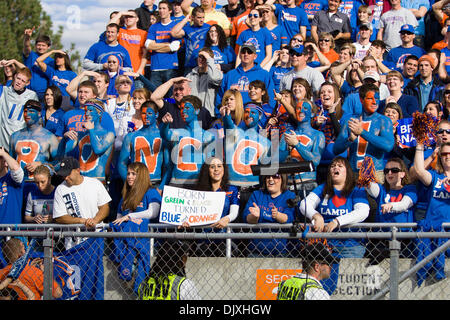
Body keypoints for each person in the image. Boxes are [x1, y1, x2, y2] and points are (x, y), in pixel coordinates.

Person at [299, 156, 370, 293]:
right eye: (332, 166)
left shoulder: (356, 189)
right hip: (326, 247)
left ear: (347, 172)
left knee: (347, 291)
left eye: (340, 166)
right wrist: (316, 216)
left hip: (351, 246)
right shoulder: (323, 188)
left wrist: (337, 222)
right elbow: (304, 204)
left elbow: (363, 211)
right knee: (323, 289)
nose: (335, 168)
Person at [110, 162, 162, 291]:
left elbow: (153, 212)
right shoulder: (125, 197)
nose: (129, 177)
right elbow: (118, 219)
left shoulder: (151, 193)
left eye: (134, 174)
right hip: (126, 244)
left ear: (142, 176)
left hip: (145, 242)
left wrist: (130, 217)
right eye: (128, 173)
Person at [334, 83, 394, 180]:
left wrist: (362, 132)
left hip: (375, 174)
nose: (375, 102)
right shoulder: (350, 121)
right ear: (361, 100)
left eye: (377, 99)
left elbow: (388, 145)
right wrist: (350, 139)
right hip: (353, 174)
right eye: (370, 98)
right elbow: (336, 149)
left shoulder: (384, 120)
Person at [52, 157, 112, 248]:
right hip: (73, 244)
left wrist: (95, 220)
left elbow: (105, 207)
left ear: (78, 170)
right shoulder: (60, 189)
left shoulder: (95, 183)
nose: (66, 178)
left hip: (96, 239)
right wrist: (81, 221)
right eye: (63, 175)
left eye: (68, 174)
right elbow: (59, 217)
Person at [160, 95, 215, 187]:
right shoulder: (177, 133)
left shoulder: (208, 136)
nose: (183, 111)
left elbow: (209, 165)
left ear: (197, 111)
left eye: (187, 107)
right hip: (176, 184)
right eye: (181, 108)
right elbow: (165, 135)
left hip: (198, 184)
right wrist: (166, 124)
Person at [242, 172, 296, 257]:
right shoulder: (257, 194)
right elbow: (246, 217)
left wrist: (277, 215)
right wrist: (255, 217)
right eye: (268, 176)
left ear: (282, 179)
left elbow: (288, 218)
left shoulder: (290, 195)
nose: (271, 179)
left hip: (282, 251)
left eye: (275, 176)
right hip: (257, 250)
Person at [9, 99, 60, 184]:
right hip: (18, 184)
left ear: (39, 114)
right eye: (25, 111)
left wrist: (41, 164)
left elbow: (59, 163)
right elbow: (10, 163)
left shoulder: (50, 137)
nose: (27, 114)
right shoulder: (14, 136)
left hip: (38, 184)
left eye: (31, 111)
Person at [63, 99, 115, 182]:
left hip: (97, 180)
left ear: (99, 113)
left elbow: (98, 150)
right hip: (81, 180)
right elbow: (60, 153)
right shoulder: (80, 134)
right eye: (86, 111)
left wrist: (91, 130)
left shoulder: (109, 134)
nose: (87, 114)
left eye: (90, 110)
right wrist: (64, 138)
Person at [118, 101, 166, 189]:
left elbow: (168, 165)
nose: (146, 116)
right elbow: (122, 163)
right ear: (140, 114)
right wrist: (129, 183)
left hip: (156, 182)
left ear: (156, 115)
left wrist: (161, 188)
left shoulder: (163, 136)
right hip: (136, 182)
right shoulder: (131, 136)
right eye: (143, 113)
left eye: (150, 113)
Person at [281, 99, 325, 193]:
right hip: (288, 185)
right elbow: (277, 160)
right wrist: (287, 151)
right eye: (298, 108)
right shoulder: (287, 134)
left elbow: (315, 161)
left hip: (308, 184)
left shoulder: (318, 135)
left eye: (305, 108)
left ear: (312, 113)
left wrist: (297, 144)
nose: (301, 111)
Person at [216, 43, 275, 111]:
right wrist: (220, 113)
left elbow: (271, 97)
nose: (246, 54)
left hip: (255, 117)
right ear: (240, 55)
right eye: (243, 52)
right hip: (232, 116)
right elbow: (220, 97)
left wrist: (268, 115)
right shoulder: (230, 75)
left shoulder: (264, 75)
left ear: (255, 56)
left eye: (249, 52)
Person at [145, 1, 181, 91]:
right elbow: (148, 45)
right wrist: (166, 45)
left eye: (164, 8)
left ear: (170, 11)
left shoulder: (175, 25)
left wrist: (155, 46)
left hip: (170, 67)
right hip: (155, 68)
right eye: (160, 8)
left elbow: (174, 47)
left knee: (170, 98)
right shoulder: (153, 27)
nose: (161, 11)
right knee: (155, 98)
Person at [0, 67, 38, 150]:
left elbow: (35, 121)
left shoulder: (32, 96)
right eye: (18, 78)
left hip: (20, 142)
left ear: (27, 83)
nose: (19, 82)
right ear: (14, 76)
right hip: (2, 143)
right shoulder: (3, 90)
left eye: (23, 81)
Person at [170, 7, 211, 75]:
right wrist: (185, 20)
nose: (202, 20)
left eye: (203, 17)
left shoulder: (208, 28)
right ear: (192, 17)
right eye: (199, 17)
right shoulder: (187, 29)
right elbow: (173, 33)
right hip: (190, 65)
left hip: (204, 64)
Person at [186, 47, 224, 118]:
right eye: (200, 57)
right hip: (193, 115)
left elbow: (214, 78)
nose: (201, 59)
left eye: (204, 57)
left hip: (209, 115)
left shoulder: (217, 73)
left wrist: (209, 60)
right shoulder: (189, 76)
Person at [110, 10, 148, 76]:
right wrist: (121, 13)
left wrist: (140, 69)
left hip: (136, 71)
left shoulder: (143, 33)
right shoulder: (121, 31)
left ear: (137, 19)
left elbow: (145, 54)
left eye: (131, 17)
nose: (128, 19)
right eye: (126, 17)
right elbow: (110, 26)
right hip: (121, 71)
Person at [22, 29, 52, 101]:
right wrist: (27, 37)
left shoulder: (51, 61)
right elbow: (26, 46)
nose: (41, 47)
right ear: (35, 46)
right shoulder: (31, 55)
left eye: (43, 45)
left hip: (43, 94)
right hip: (27, 91)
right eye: (39, 45)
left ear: (48, 47)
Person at [0, 147, 24, 224]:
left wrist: (4, 154)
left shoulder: (12, 178)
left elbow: (16, 169)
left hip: (12, 233)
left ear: (6, 162)